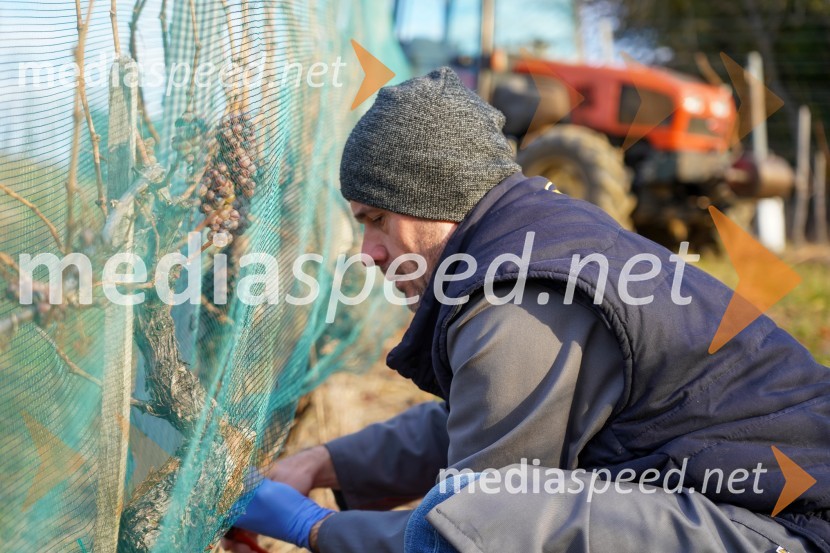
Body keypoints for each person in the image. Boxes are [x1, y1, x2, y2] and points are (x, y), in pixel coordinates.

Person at [223, 67, 830, 553]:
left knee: (504, 514)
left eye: (377, 219)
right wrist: (324, 463)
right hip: (757, 510)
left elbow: (469, 529)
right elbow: (490, 410)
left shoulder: (517, 301)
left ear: (433, 195)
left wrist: (312, 528)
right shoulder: (537, 237)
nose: (369, 252)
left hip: (789, 530)